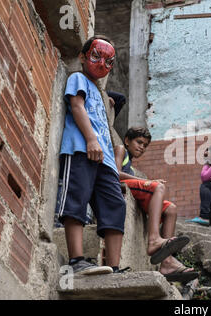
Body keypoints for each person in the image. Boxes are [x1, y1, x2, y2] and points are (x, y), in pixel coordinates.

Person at [56, 35, 127, 275]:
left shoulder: (100, 93)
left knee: (116, 204)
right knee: (76, 198)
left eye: (109, 61)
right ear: (82, 56)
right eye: (96, 56)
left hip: (105, 160)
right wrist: (90, 139)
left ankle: (114, 267)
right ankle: (76, 260)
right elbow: (77, 107)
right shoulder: (78, 79)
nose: (102, 64)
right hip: (81, 149)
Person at [114, 127, 198, 282]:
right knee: (158, 186)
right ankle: (154, 239)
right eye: (139, 142)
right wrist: (148, 182)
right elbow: (115, 173)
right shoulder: (120, 150)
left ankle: (166, 262)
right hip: (119, 185)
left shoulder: (131, 168)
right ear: (127, 141)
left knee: (171, 209)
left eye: (145, 145)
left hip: (132, 188)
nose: (142, 147)